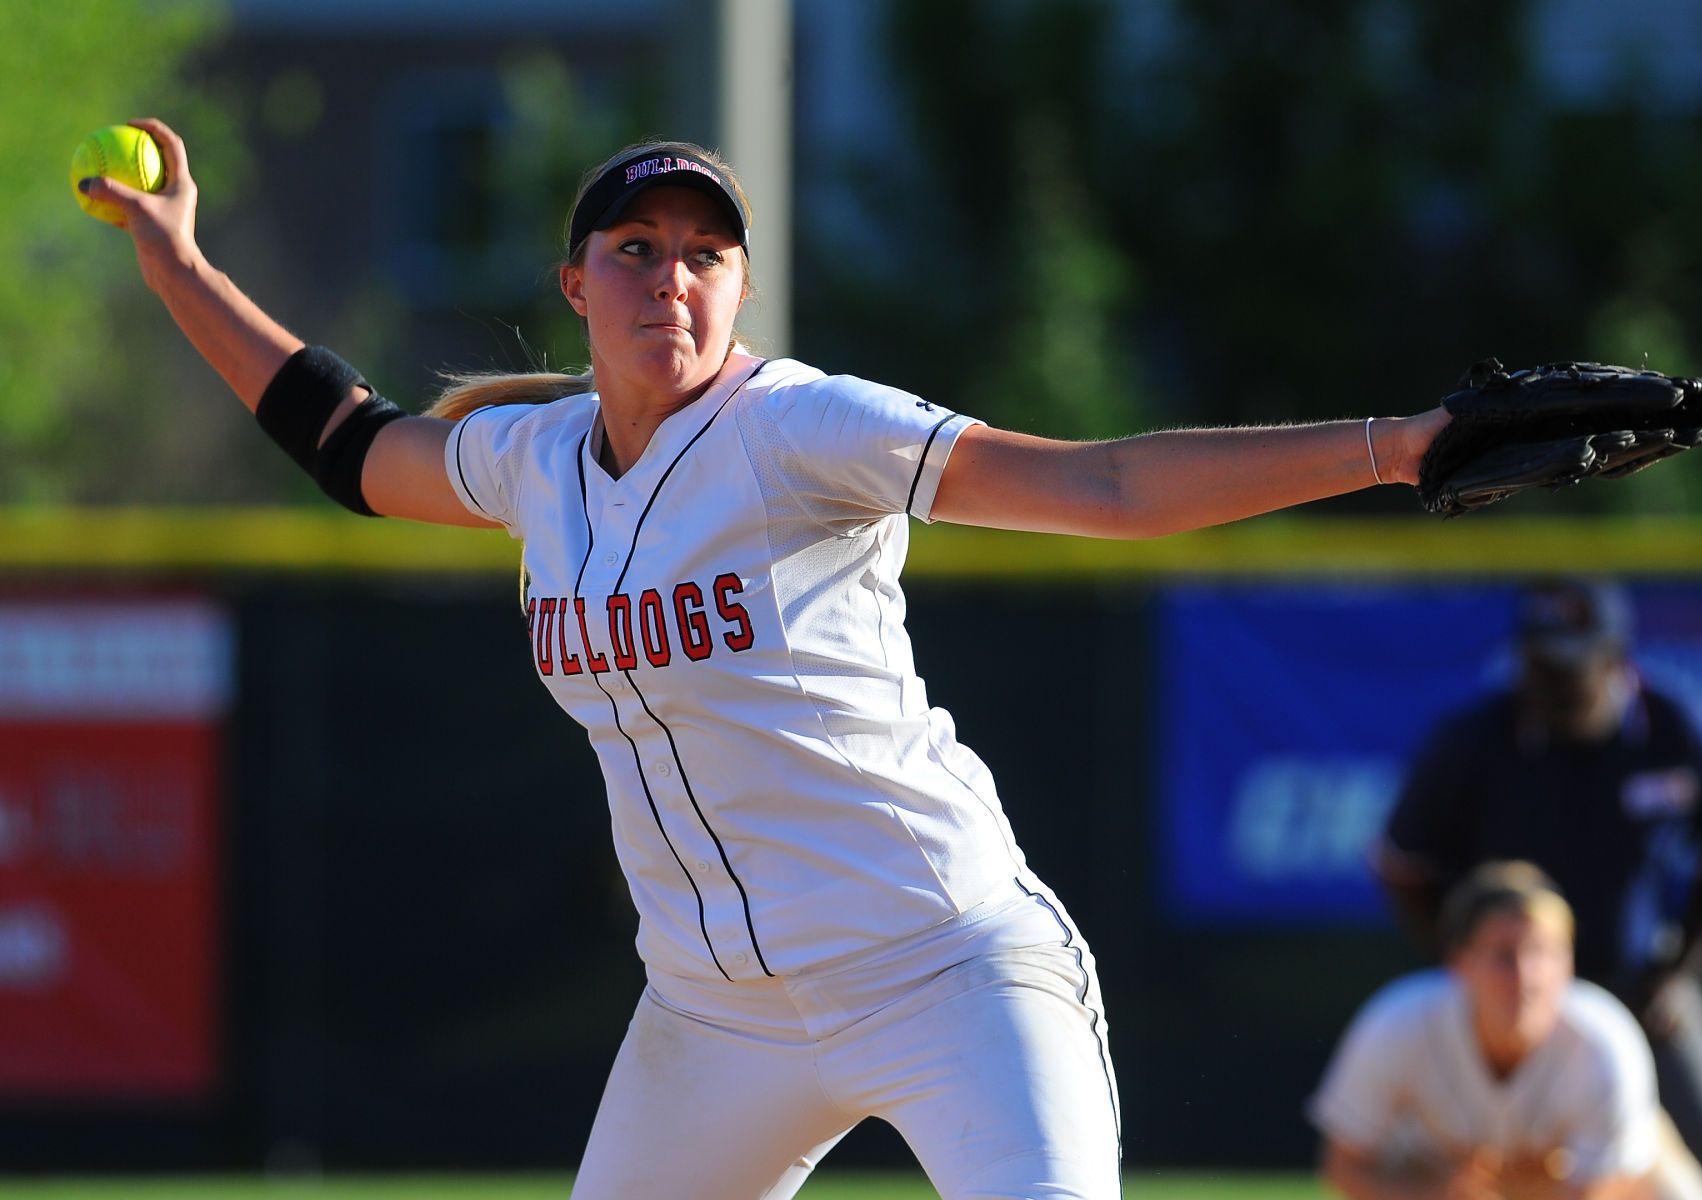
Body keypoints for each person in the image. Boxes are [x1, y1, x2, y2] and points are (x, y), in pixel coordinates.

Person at [86, 118, 1454, 1200]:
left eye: (706, 255)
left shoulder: (802, 430)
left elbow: (1103, 487)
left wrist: (1398, 449)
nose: (671, 278)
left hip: (945, 967)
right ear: (575, 283)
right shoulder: (535, 459)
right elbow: (349, 444)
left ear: (741, 288)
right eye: (636, 248)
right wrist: (177, 265)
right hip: (715, 1015)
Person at [1377, 579, 1702, 1200]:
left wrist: (1680, 973)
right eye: (1540, 664)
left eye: (1571, 665)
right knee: (1441, 1172)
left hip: (1639, 986)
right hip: (1509, 999)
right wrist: (1466, 967)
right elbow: (1403, 865)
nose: (1553, 683)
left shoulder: (1679, 729)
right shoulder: (1472, 740)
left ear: (1617, 658)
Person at [1310, 861, 1702, 1200]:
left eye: (1542, 953)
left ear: (1568, 965)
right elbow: (1344, 1166)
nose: (1525, 976)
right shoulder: (1398, 1024)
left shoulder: (1604, 1040)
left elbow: (1607, 1187)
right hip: (1437, 1181)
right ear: (1460, 962)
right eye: (1504, 955)